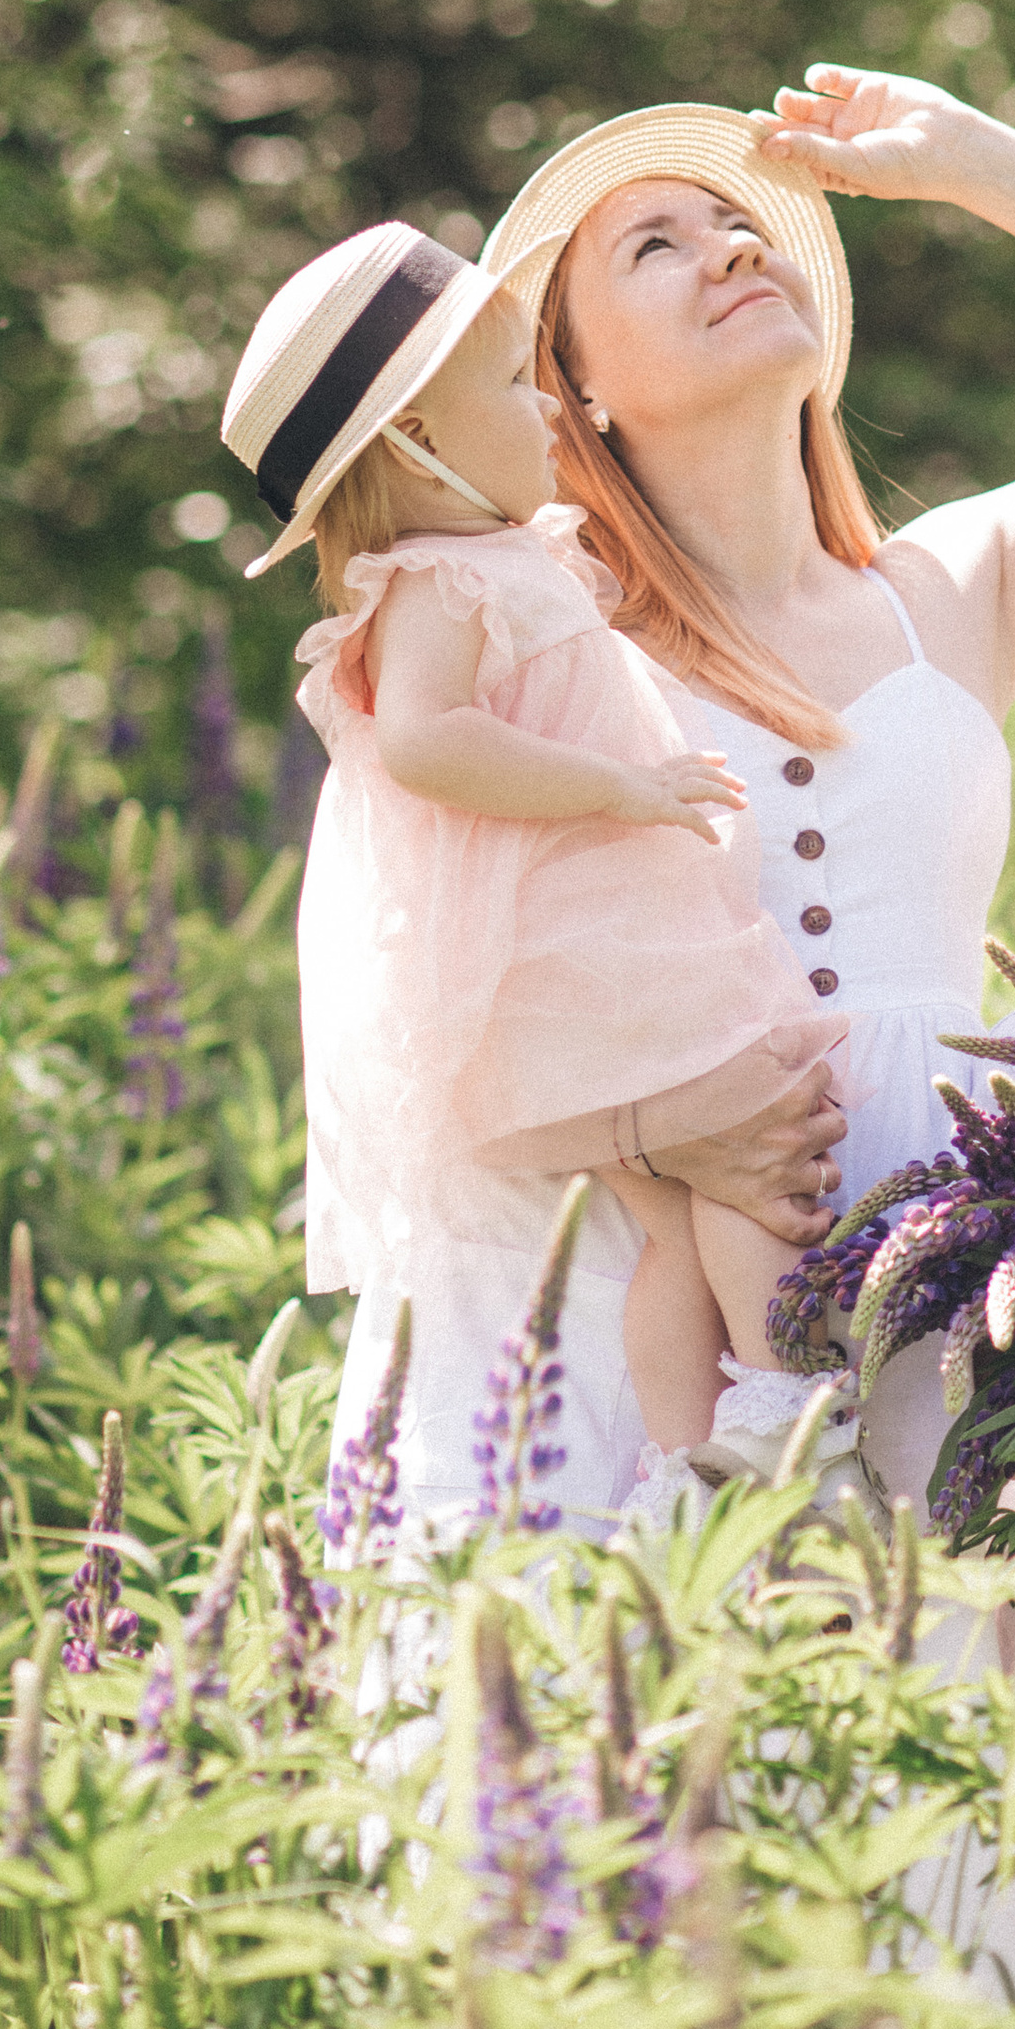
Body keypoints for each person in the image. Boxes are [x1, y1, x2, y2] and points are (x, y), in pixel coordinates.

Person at [472, 71, 1015, 2014]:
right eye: (652, 242)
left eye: (741, 225)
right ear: (578, 390)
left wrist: (968, 162)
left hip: (984, 1312)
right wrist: (668, 1135)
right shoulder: (554, 640)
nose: (724, 247)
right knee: (722, 1891)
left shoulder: (949, 591)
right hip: (699, 1332)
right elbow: (471, 971)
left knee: (971, 1878)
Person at [217, 219, 865, 1510]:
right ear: (419, 446)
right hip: (569, 951)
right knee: (749, 1107)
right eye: (513, 388)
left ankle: (695, 1455)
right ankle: (786, 1396)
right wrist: (623, 787)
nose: (548, 408)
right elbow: (425, 742)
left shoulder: (515, 558)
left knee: (676, 1217)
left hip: (597, 939)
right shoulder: (436, 585)